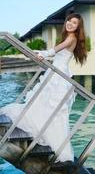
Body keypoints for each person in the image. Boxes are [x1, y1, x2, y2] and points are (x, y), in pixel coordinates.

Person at [0, 13, 87, 163]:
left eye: (74, 23)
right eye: (69, 21)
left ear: (78, 27)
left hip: (58, 76)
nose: (70, 24)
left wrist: (42, 54)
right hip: (56, 72)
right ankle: (45, 132)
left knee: (52, 107)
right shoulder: (69, 37)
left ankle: (51, 139)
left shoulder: (71, 38)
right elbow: (58, 54)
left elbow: (55, 50)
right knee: (46, 105)